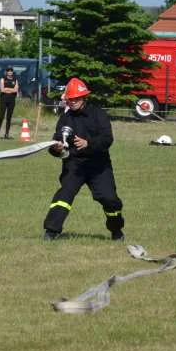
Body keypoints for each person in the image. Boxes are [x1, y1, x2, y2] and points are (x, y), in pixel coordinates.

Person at [42, 77, 125, 241]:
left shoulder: (98, 114)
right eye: (69, 99)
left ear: (84, 97)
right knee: (64, 194)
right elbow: (57, 142)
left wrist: (89, 143)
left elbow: (107, 139)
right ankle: (51, 231)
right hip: (74, 165)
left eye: (75, 99)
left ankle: (116, 230)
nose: (72, 102)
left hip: (98, 165)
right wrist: (56, 148)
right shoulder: (65, 119)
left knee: (109, 198)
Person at [0, 66, 19, 140]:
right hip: (4, 99)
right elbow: (2, 90)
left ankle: (7, 134)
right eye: (8, 71)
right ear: (6, 72)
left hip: (12, 100)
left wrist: (7, 89)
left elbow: (16, 90)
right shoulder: (3, 79)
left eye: (11, 71)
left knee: (9, 117)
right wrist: (11, 89)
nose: (10, 72)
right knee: (1, 116)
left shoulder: (15, 79)